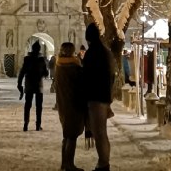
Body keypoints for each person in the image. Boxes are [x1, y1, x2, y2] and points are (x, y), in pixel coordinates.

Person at [83, 23, 115, 171]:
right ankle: (103, 163)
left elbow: (87, 77)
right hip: (104, 96)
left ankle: (103, 164)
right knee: (102, 132)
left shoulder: (92, 53)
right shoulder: (106, 52)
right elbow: (112, 76)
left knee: (99, 133)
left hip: (95, 97)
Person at [54, 42, 86, 171]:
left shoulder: (59, 66)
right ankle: (69, 165)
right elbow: (82, 85)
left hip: (63, 104)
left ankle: (64, 163)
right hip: (74, 104)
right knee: (72, 135)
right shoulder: (74, 67)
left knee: (66, 134)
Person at [18, 41, 49, 131]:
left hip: (29, 84)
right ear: (39, 49)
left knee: (28, 105)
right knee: (39, 106)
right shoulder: (41, 60)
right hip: (38, 84)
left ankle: (26, 124)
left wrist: (19, 83)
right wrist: (43, 73)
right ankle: (38, 125)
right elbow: (46, 73)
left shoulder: (27, 59)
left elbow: (22, 72)